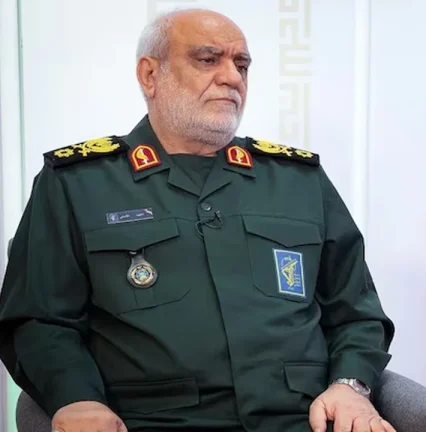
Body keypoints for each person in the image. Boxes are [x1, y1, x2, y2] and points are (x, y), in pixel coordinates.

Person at [0, 8, 395, 432]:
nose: (232, 78)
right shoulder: (78, 183)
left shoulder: (298, 181)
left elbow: (357, 314)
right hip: (152, 422)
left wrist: (350, 385)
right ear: (150, 75)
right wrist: (76, 399)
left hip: (299, 421)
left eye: (241, 65)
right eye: (208, 59)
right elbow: (39, 320)